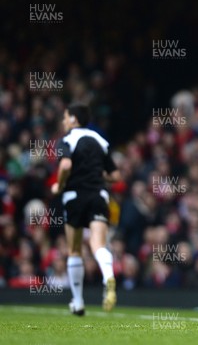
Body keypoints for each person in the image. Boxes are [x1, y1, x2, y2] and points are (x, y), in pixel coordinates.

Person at [51, 104, 120, 316]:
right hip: (99, 195)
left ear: (73, 119)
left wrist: (59, 185)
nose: (63, 122)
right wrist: (98, 176)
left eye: (65, 118)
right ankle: (108, 275)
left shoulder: (67, 139)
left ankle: (78, 302)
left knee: (74, 249)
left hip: (74, 196)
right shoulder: (100, 140)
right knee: (97, 244)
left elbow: (65, 166)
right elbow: (115, 176)